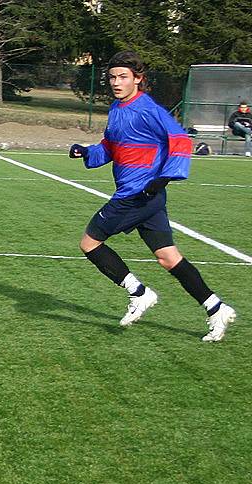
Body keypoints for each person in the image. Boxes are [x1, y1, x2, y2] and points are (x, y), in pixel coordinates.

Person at [69, 50, 236, 342]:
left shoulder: (148, 109)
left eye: (123, 77)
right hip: (145, 197)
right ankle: (216, 308)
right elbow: (111, 146)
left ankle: (139, 293)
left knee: (89, 243)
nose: (116, 82)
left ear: (138, 79)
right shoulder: (117, 109)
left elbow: (181, 140)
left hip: (137, 195)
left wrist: (164, 178)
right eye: (112, 77)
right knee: (168, 258)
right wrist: (88, 151)